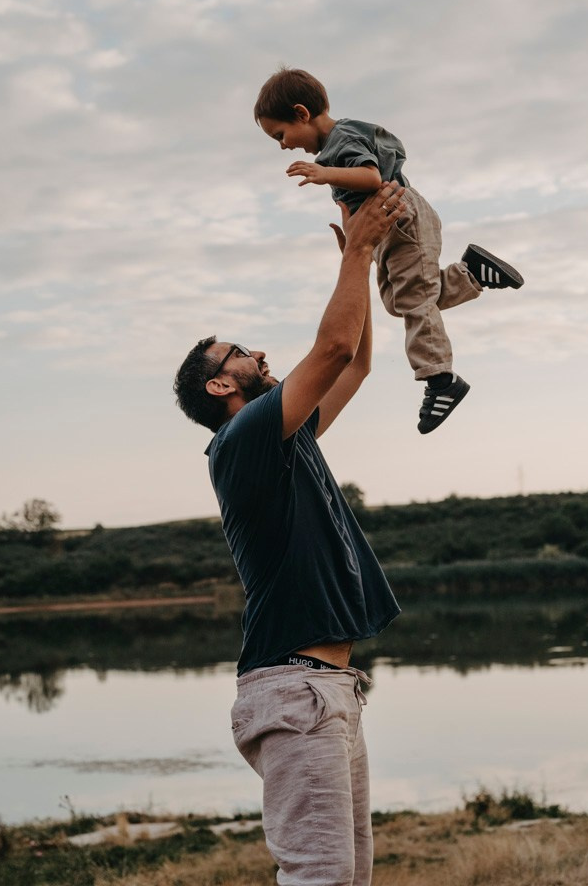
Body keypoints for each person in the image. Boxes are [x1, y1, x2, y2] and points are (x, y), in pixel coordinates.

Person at [173, 181, 406, 886]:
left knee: (347, 879)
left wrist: (359, 264)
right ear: (221, 387)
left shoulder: (285, 437)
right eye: (238, 352)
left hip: (329, 689)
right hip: (294, 691)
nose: (254, 352)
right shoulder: (244, 438)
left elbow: (357, 360)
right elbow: (332, 347)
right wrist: (357, 246)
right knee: (321, 879)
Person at [254, 66, 524, 434]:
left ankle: (440, 378)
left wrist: (325, 174)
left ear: (302, 114)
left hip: (401, 216)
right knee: (399, 301)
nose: (283, 145)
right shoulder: (337, 143)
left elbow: (371, 177)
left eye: (281, 135)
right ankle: (472, 272)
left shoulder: (340, 139)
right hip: (387, 227)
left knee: (415, 299)